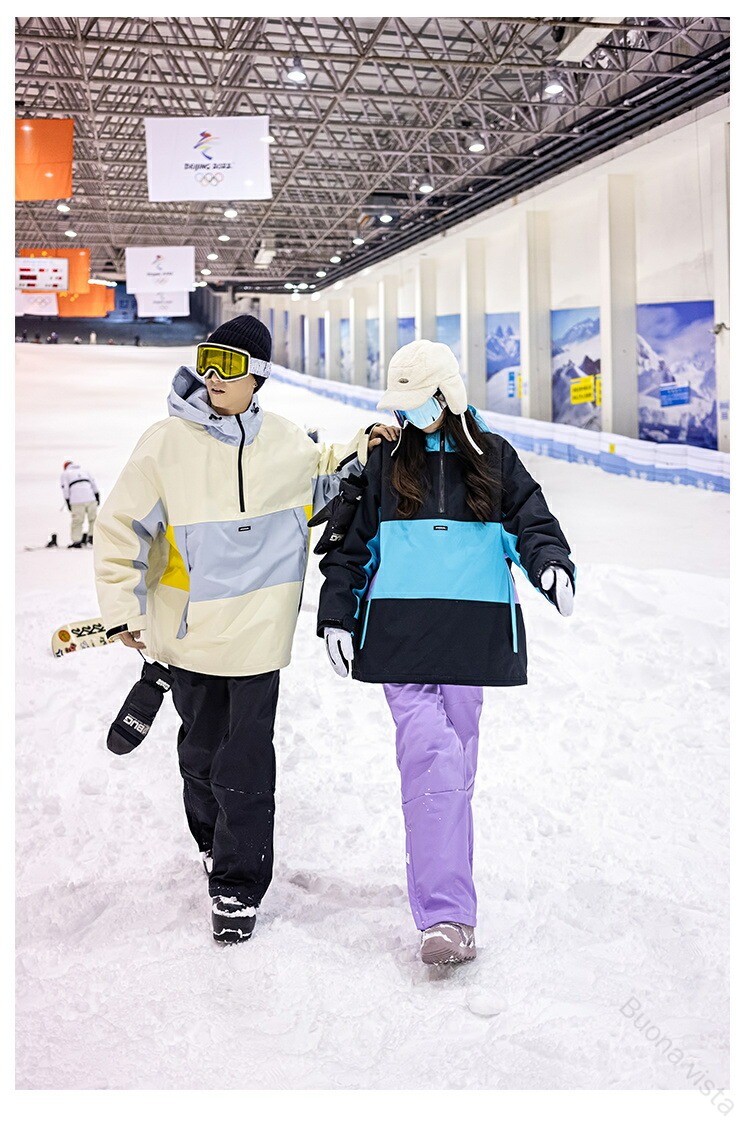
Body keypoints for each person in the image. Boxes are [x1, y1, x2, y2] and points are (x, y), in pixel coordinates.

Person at [93, 315, 398, 945]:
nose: (212, 375)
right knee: (200, 757)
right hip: (190, 639)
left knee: (247, 765)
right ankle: (212, 843)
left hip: (259, 640)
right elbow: (120, 527)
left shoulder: (285, 441)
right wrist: (123, 607)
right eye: (207, 359)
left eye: (228, 364)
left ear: (258, 375)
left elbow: (328, 477)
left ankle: (237, 886)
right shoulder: (164, 445)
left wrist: (367, 443)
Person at [316, 339, 576, 966]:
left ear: (448, 395)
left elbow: (531, 522)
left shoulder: (493, 457)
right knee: (432, 757)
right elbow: (352, 548)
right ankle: (446, 917)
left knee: (453, 772)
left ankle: (449, 903)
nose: (409, 415)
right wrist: (337, 617)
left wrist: (550, 565)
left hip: (470, 638)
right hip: (399, 639)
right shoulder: (384, 461)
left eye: (420, 402)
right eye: (401, 405)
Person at [60, 460, 100, 547]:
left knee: (77, 521)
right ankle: (92, 537)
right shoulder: (85, 471)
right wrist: (97, 496)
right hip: (91, 498)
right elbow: (93, 484)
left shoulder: (65, 474)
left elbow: (65, 489)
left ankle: (77, 541)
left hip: (76, 500)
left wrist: (68, 501)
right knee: (93, 519)